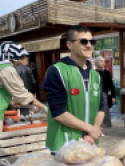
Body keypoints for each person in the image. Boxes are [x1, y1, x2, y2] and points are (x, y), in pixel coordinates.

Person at [42, 25, 104, 153]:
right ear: (70, 45)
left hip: (91, 142)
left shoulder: (96, 75)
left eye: (91, 41)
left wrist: (92, 134)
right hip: (65, 145)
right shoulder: (57, 71)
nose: (89, 45)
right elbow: (58, 112)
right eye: (83, 41)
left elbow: (101, 107)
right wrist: (91, 130)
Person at [0, 41, 47, 132]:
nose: (21, 61)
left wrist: (12, 99)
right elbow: (21, 93)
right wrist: (43, 106)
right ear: (10, 56)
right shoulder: (7, 69)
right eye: (19, 57)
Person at [95, 56, 116, 128]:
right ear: (96, 62)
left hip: (104, 94)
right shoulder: (93, 72)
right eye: (101, 61)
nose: (103, 63)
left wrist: (113, 96)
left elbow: (111, 85)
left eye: (103, 61)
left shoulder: (106, 73)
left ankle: (106, 124)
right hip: (95, 94)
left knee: (105, 110)